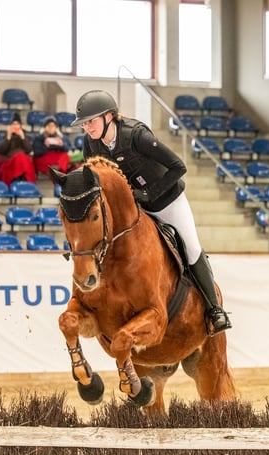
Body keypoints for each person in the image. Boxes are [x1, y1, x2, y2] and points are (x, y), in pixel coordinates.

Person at [71, 90, 231, 336]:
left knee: (191, 247)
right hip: (134, 208)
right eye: (84, 123)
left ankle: (214, 310)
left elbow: (179, 166)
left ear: (109, 117)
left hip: (168, 201)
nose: (87, 127)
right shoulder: (90, 143)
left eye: (90, 121)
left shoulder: (136, 136)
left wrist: (149, 194)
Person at [0, 112, 36, 184]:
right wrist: (8, 138)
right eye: (13, 124)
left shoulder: (25, 136)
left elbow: (29, 150)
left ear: (20, 126)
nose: (15, 126)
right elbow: (1, 151)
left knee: (22, 157)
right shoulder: (6, 136)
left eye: (17, 124)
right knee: (19, 157)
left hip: (23, 159)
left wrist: (23, 138)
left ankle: (22, 179)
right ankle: (18, 178)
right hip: (10, 160)